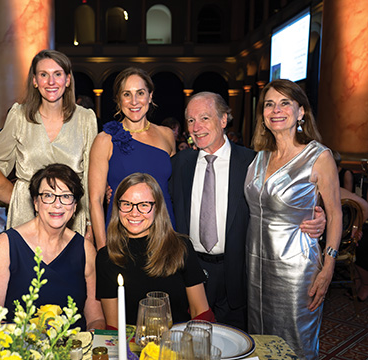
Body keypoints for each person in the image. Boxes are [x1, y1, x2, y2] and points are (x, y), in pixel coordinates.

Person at [169, 91, 326, 331]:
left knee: (239, 346)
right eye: (191, 120)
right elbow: (157, 200)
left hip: (239, 274)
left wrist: (318, 214)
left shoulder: (254, 162)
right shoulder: (180, 163)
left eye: (204, 118)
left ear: (223, 120)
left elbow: (288, 194)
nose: (196, 127)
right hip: (191, 273)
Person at [245, 79, 341, 360]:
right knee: (259, 344)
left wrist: (328, 267)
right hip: (255, 269)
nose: (276, 109)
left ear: (301, 112)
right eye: (269, 104)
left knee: (295, 345)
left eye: (285, 102)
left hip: (297, 273)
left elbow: (334, 214)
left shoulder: (318, 156)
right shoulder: (259, 157)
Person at [0, 50, 97, 237]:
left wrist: (91, 224)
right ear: (35, 81)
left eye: (57, 74)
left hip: (71, 216)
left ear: (68, 80)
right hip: (25, 215)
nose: (51, 82)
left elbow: (90, 177)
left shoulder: (86, 118)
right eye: (44, 75)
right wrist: (17, 197)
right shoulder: (19, 115)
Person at [0, 164, 105, 331]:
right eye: (48, 195)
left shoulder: (85, 249)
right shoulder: (5, 245)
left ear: (75, 205)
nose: (57, 204)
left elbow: (95, 319)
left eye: (66, 196)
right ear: (35, 202)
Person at [96, 173, 213, 327]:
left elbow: (201, 312)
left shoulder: (181, 247)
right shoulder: (106, 257)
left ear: (157, 208)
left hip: (178, 344)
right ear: (117, 207)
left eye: (144, 205)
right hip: (131, 347)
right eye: (126, 204)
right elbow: (113, 327)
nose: (134, 212)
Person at [89, 67, 176, 249]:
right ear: (118, 100)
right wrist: (103, 250)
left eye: (140, 93)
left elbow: (174, 188)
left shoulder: (167, 135)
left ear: (150, 96)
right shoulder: (105, 140)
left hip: (165, 232)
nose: (134, 101)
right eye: (127, 94)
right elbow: (95, 201)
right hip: (121, 236)